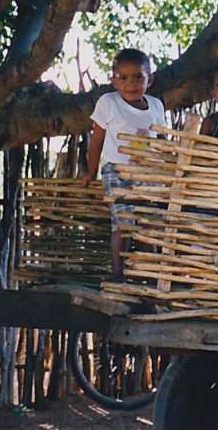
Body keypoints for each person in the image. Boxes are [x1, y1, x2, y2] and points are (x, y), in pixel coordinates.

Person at [81, 48, 167, 281]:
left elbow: (161, 141)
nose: (131, 83)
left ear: (149, 79)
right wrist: (91, 171)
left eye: (139, 77)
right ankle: (118, 273)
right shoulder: (108, 102)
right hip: (116, 171)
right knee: (123, 221)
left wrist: (167, 168)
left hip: (148, 173)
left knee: (149, 222)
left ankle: (149, 274)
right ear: (113, 80)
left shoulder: (156, 106)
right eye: (124, 77)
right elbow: (97, 139)